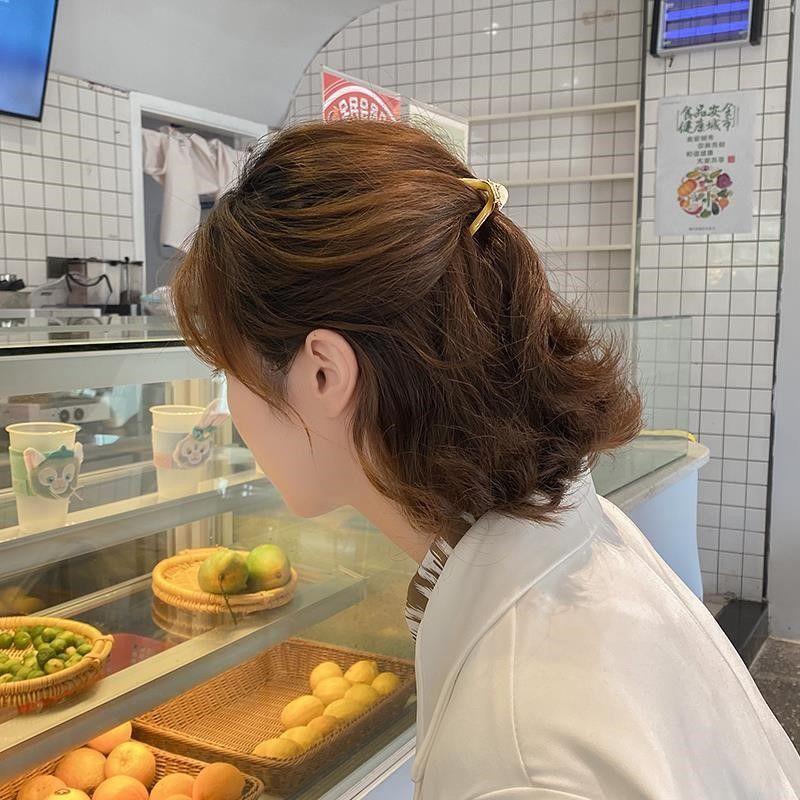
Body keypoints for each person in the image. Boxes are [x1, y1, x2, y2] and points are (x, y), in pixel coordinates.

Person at [171, 120, 800, 799]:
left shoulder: (520, 757)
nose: (228, 407)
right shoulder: (572, 533)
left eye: (225, 368)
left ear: (324, 374)